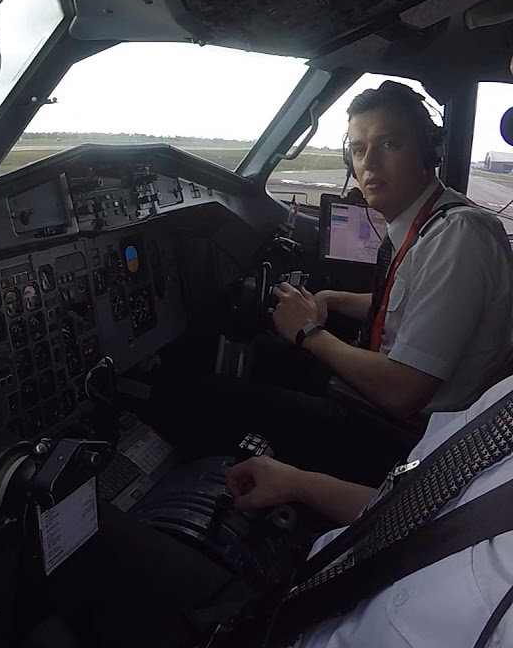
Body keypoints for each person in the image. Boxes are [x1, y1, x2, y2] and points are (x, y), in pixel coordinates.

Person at [144, 81, 513, 485]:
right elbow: (409, 301)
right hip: (385, 406)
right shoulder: (428, 223)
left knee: (191, 394)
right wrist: (332, 298)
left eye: (389, 144)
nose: (369, 163)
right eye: (358, 149)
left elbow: (403, 391)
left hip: (403, 439)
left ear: (428, 153)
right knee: (263, 352)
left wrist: (308, 332)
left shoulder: (458, 236)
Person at [47, 372, 513, 648]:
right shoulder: (505, 406)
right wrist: (297, 482)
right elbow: (419, 509)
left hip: (282, 621)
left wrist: (309, 332)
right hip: (289, 599)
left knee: (56, 521)